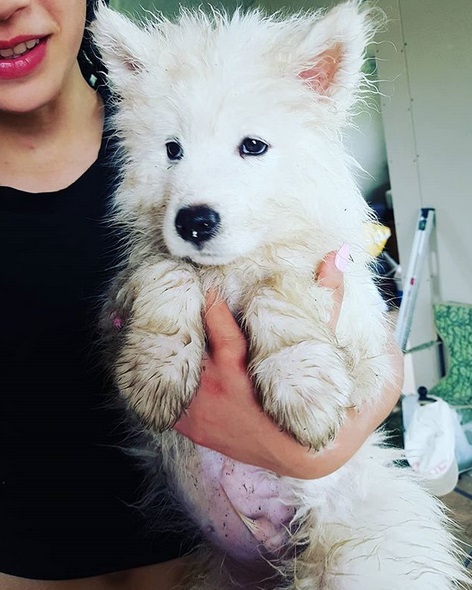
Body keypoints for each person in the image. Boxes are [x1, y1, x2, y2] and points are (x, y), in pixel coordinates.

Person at [0, 0, 403, 588]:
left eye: (251, 147)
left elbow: (375, 350)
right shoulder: (152, 107)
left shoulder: (171, 86)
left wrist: (315, 451)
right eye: (174, 153)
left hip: (249, 555)